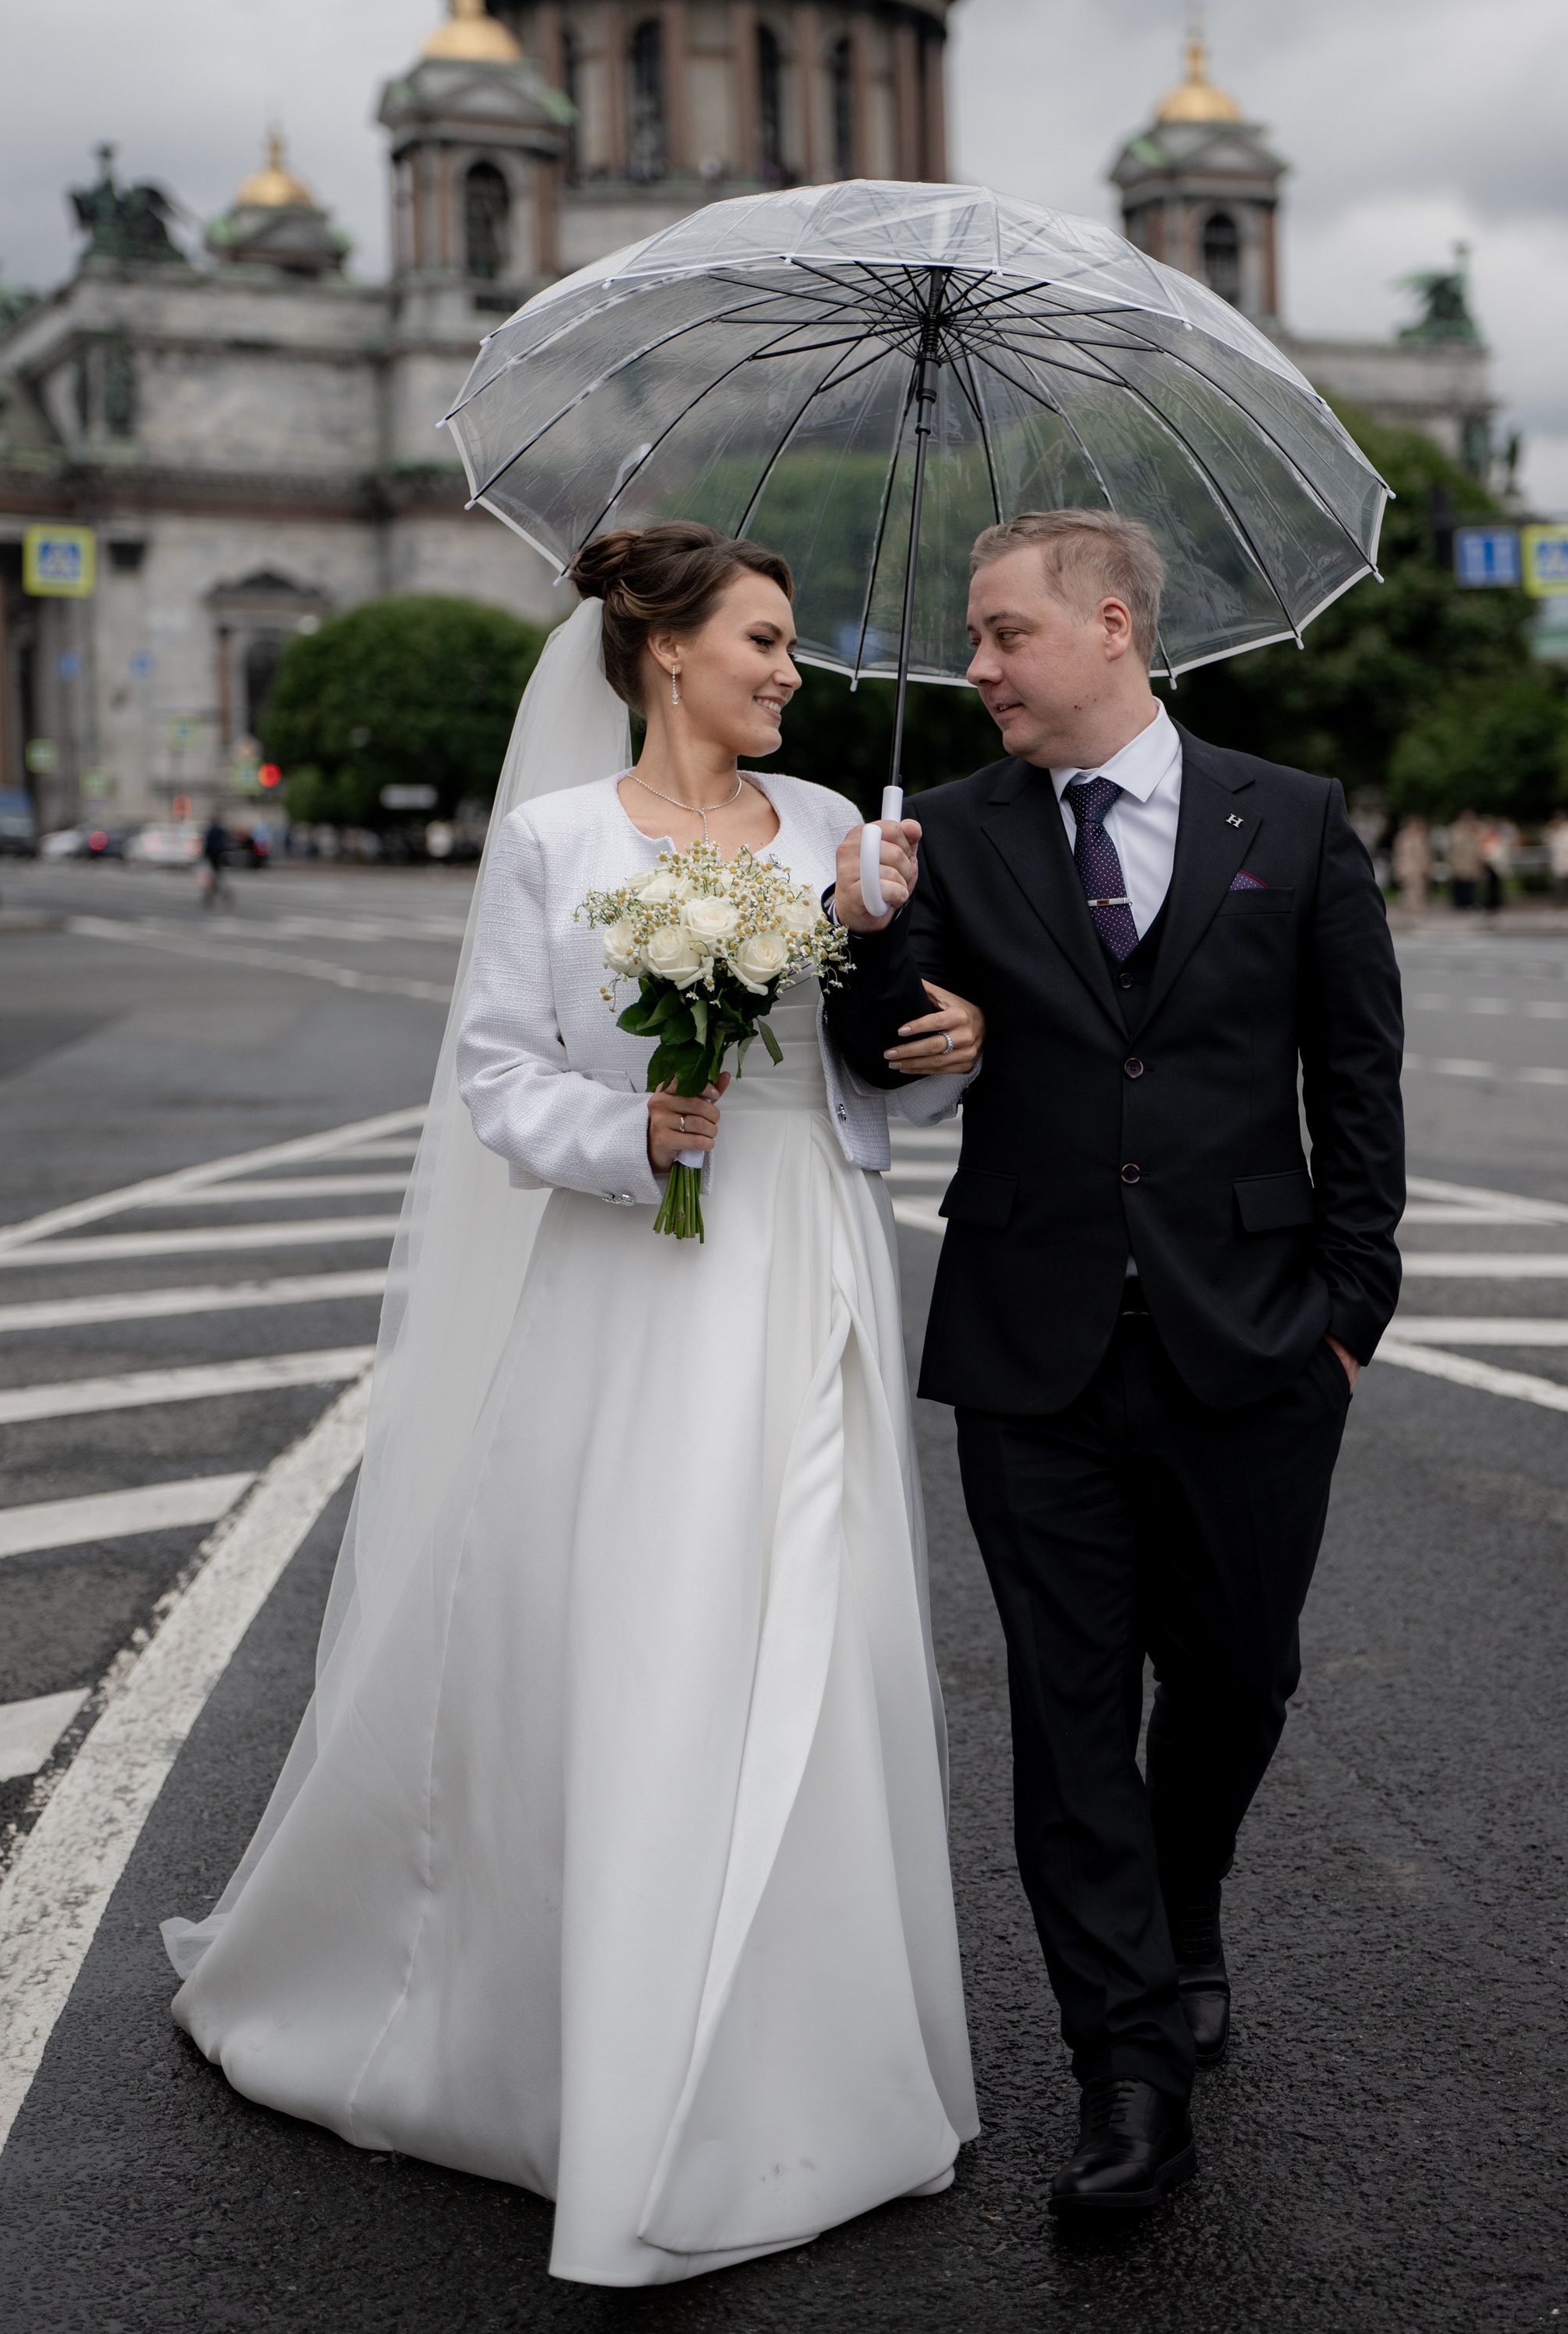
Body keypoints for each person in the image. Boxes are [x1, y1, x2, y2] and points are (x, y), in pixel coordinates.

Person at [163, 524, 982, 2286]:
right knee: (638, 1629)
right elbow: (495, 1076)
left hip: (800, 1258)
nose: (788, 669)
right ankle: (581, 2043)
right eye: (763, 639)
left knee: (803, 1623)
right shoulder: (557, 841)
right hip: (630, 1275)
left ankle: (801, 2054)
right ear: (664, 651)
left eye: (793, 645)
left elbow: (859, 1064)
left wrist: (935, 1035)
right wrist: (632, 1134)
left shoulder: (844, 826)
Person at [825, 510, 1403, 2217]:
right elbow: (884, 1053)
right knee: (1068, 1716)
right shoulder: (941, 828)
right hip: (1032, 1349)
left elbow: (1354, 1081)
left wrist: (1350, 1315)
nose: (977, 669)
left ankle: (1183, 1899)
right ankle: (1125, 2075)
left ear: (1108, 625)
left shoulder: (1285, 818)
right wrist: (869, 940)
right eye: (972, 641)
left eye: (1001, 636)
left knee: (1237, 1680)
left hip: (1254, 1342)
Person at [1390, 813, 1431, 921]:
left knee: (1419, 887)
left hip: (1419, 866)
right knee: (1408, 887)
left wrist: (1427, 866)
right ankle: (1409, 907)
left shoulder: (1422, 836)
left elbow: (1426, 854)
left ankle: (1417, 907)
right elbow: (1398, 853)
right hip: (1407, 865)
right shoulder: (1403, 836)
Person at [1445, 807, 1484, 911]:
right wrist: (1452, 863)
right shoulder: (1455, 830)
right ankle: (1460, 904)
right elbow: (1450, 848)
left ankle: (1470, 903)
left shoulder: (1476, 828)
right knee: (1460, 884)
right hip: (1459, 862)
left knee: (1470, 884)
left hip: (1472, 863)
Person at [199, 812, 233, 909]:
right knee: (216, 875)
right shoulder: (221, 831)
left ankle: (213, 892)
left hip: (213, 857)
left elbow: (208, 845)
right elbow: (226, 844)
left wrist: (204, 856)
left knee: (214, 876)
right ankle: (216, 891)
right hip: (219, 857)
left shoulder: (210, 831)